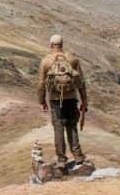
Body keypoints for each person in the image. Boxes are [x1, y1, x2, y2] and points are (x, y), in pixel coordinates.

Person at [36, 34, 88, 169]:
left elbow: (41, 84)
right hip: (71, 98)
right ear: (62, 44)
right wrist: (84, 101)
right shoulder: (72, 59)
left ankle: (61, 160)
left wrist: (42, 102)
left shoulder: (46, 61)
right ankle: (78, 156)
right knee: (72, 127)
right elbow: (81, 82)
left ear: (50, 44)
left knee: (58, 128)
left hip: (54, 100)